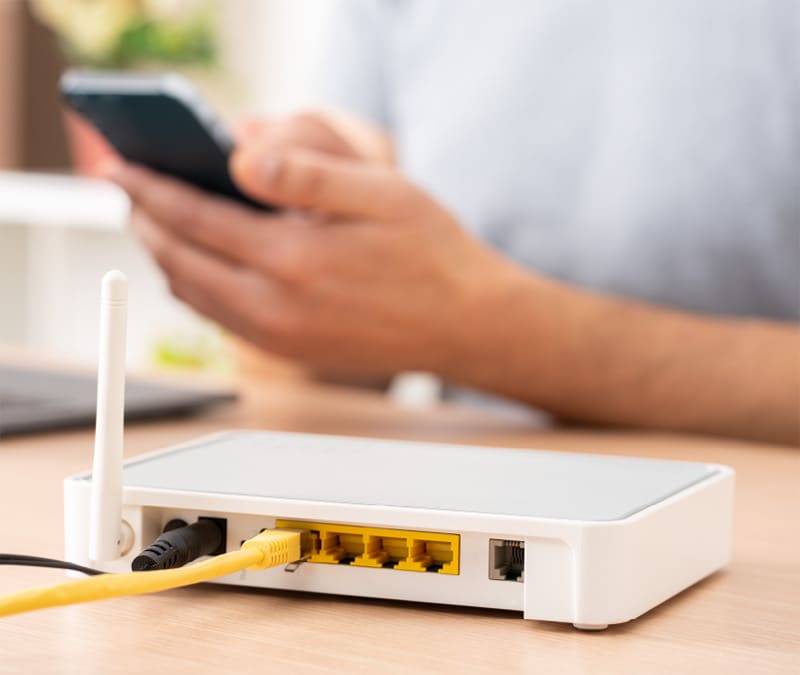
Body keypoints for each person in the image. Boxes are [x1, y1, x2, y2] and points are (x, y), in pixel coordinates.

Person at [105, 0, 799, 445]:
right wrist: (299, 272)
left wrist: (488, 333)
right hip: (470, 498)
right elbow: (335, 373)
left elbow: (445, 317)